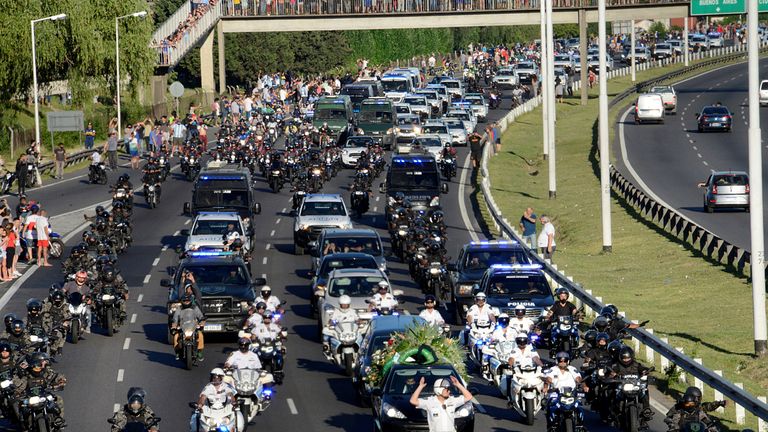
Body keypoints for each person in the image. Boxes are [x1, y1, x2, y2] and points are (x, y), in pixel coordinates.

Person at [608, 346, 653, 427]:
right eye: (624, 358)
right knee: (612, 392)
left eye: (627, 358)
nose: (626, 360)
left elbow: (642, 368)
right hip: (622, 387)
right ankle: (613, 412)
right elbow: (612, 370)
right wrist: (612, 374)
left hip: (635, 386)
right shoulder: (617, 365)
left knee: (645, 390)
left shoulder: (636, 364)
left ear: (631, 357)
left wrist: (644, 371)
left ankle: (646, 410)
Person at [409, 375, 473, 432]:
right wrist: (420, 386)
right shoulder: (429, 401)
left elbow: (469, 397)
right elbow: (413, 401)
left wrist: (458, 384)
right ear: (438, 390)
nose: (449, 391)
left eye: (449, 389)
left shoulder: (453, 400)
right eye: (447, 390)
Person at [171, 294, 205, 361]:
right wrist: (174, 325)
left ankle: (199, 352)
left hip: (193, 327)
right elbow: (175, 318)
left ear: (191, 301)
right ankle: (177, 352)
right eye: (185, 300)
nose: (186, 302)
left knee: (200, 335)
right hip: (182, 327)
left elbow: (200, 316)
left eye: (188, 300)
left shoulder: (194, 307)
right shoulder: (179, 309)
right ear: (182, 301)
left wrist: (202, 322)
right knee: (176, 336)